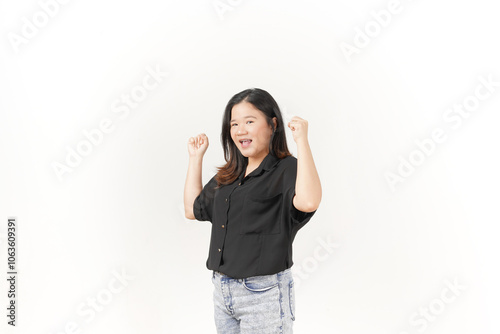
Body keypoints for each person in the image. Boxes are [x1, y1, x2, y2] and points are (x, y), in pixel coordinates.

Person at [183, 88, 322, 333]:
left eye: (249, 121)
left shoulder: (287, 169)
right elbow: (192, 209)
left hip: (264, 293)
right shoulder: (230, 174)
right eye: (234, 123)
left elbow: (309, 202)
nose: (240, 130)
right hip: (222, 291)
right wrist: (195, 159)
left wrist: (302, 142)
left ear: (272, 124)